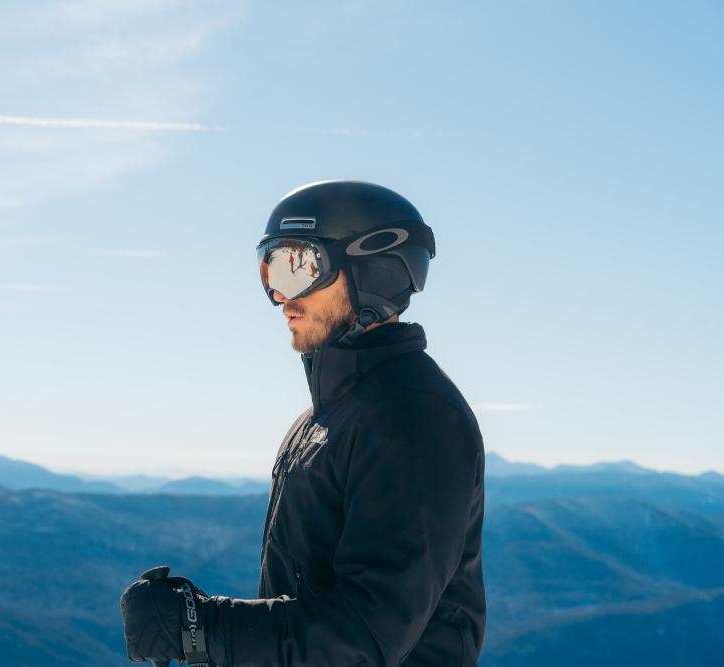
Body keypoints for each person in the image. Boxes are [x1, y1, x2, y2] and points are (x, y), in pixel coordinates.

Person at [119, 180, 486, 667]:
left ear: (371, 272)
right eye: (270, 270)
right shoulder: (324, 418)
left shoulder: (414, 418)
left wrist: (200, 627)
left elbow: (366, 637)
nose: (280, 296)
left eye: (299, 268)